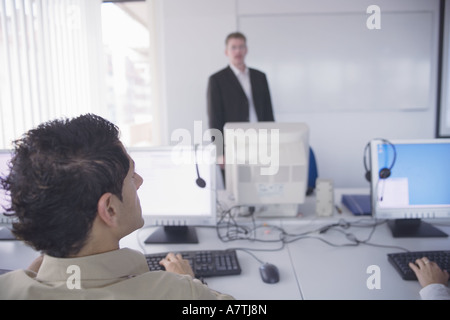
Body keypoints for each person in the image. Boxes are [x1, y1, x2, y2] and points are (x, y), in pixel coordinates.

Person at [0, 114, 234, 300]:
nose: (139, 181)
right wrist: (189, 285)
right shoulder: (175, 292)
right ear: (110, 209)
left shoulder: (9, 288)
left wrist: (38, 272)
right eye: (131, 176)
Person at [207, 31, 275, 164]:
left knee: (261, 183)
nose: (238, 51)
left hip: (260, 143)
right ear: (226, 51)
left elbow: (268, 113)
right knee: (235, 184)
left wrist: (272, 144)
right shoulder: (217, 80)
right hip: (233, 146)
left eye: (241, 46)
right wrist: (220, 152)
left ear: (246, 50)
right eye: (233, 47)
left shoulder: (260, 77)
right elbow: (215, 118)